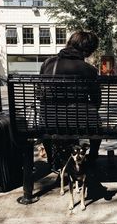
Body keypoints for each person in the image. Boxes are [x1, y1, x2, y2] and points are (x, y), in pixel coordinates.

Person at [39, 31, 102, 165]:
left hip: (50, 120)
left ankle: (51, 159)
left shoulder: (47, 63)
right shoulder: (89, 70)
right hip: (79, 120)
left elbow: (40, 93)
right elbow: (97, 101)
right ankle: (93, 155)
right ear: (88, 50)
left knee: (46, 114)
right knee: (96, 120)